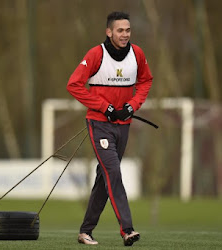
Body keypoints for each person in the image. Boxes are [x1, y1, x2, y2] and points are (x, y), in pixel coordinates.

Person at [66, 11, 153, 246]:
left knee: (104, 177)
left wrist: (132, 105)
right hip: (99, 124)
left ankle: (85, 231)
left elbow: (146, 81)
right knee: (113, 173)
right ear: (109, 32)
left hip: (123, 126)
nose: (125, 35)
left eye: (128, 30)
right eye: (120, 30)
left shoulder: (138, 54)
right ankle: (127, 229)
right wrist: (104, 107)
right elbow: (73, 85)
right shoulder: (96, 54)